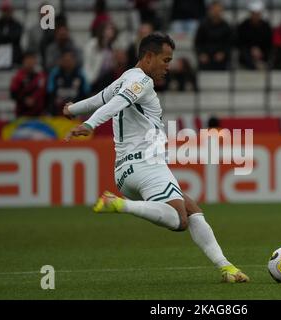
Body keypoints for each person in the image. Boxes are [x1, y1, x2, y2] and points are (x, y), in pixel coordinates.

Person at [63, 33, 249, 283]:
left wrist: (71, 110)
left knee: (192, 210)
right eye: (165, 60)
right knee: (180, 220)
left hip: (123, 172)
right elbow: (117, 102)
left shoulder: (124, 78)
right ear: (149, 57)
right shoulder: (142, 82)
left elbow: (98, 99)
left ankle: (227, 269)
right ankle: (119, 205)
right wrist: (89, 124)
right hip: (147, 163)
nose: (168, 67)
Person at [47, 50, 89, 116]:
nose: (67, 63)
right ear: (61, 61)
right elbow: (50, 92)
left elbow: (86, 92)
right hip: (57, 113)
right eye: (65, 60)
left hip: (77, 113)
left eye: (69, 60)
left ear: (74, 61)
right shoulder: (55, 73)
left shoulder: (80, 74)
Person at [194, 1, 233, 71]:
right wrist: (201, 54)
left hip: (221, 58)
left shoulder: (226, 26)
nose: (216, 12)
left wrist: (223, 53)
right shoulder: (203, 25)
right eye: (214, 10)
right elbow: (197, 43)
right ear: (210, 11)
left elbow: (229, 44)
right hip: (206, 57)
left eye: (218, 10)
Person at [0, 0, 23, 70]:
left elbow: (16, 37)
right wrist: (7, 38)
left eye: (8, 10)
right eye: (5, 11)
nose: (7, 13)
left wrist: (1, 38)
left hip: (13, 57)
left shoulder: (17, 25)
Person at [236, 1, 272, 70]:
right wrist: (251, 49)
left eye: (257, 14)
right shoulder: (243, 26)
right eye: (254, 13)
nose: (255, 16)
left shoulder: (266, 26)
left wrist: (260, 51)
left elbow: (269, 43)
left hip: (262, 57)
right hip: (246, 59)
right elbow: (239, 43)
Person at [10, 51, 47, 117]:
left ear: (35, 61)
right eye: (27, 60)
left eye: (32, 59)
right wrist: (24, 100)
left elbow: (45, 93)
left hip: (39, 114)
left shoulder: (41, 76)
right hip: (22, 114)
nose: (30, 62)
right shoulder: (18, 77)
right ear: (23, 61)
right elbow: (13, 94)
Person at [84, 22, 118, 86]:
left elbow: (113, 66)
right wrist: (89, 79)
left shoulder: (113, 46)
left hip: (108, 78)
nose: (111, 31)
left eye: (112, 29)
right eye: (108, 29)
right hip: (94, 78)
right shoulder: (92, 44)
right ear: (102, 30)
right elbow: (87, 63)